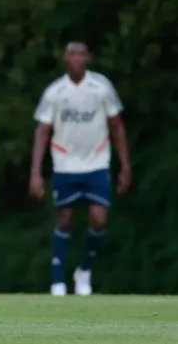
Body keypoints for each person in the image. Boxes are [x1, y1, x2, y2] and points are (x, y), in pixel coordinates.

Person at [29, 41, 132, 297]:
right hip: (66, 165)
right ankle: (57, 280)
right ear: (65, 59)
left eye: (81, 54)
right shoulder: (55, 92)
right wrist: (35, 172)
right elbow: (42, 131)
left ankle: (84, 270)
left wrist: (125, 166)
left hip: (96, 162)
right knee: (65, 219)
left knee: (99, 218)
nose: (76, 58)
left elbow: (117, 125)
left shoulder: (101, 87)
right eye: (71, 54)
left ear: (88, 58)